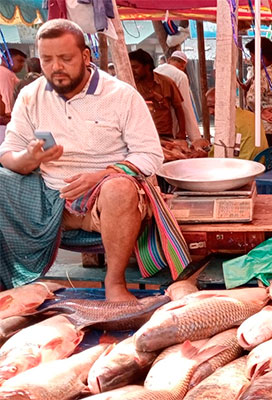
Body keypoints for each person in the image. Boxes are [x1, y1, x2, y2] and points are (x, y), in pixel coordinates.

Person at [0, 19, 164, 301]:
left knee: (120, 188)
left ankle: (115, 284)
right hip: (45, 199)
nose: (56, 67)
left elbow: (150, 155)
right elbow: (7, 154)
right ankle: (9, 285)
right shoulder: (30, 95)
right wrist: (29, 157)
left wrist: (101, 176)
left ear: (86, 57)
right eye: (48, 59)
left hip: (102, 201)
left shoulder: (121, 95)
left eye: (65, 58)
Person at [241, 37, 272, 168]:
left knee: (260, 173)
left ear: (260, 56)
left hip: (264, 133)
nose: (251, 60)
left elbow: (251, 98)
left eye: (252, 56)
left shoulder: (263, 75)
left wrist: (259, 112)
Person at [128, 49, 186, 141]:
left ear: (147, 67)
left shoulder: (167, 82)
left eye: (135, 67)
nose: (132, 71)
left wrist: (182, 132)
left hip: (164, 134)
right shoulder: (130, 85)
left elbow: (178, 108)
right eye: (130, 67)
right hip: (139, 135)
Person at [154, 50, 207, 150]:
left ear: (169, 60)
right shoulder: (180, 75)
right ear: (183, 65)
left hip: (155, 124)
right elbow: (185, 106)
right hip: (170, 125)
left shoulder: (156, 70)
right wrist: (195, 138)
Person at [206, 88, 268, 161]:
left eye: (213, 107)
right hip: (260, 162)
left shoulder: (228, 124)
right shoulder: (250, 115)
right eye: (208, 107)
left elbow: (215, 156)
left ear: (226, 103)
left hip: (246, 166)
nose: (210, 112)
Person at [0, 48, 27, 116]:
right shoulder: (6, 73)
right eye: (19, 61)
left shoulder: (8, 73)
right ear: (6, 59)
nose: (22, 65)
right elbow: (8, 100)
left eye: (23, 62)